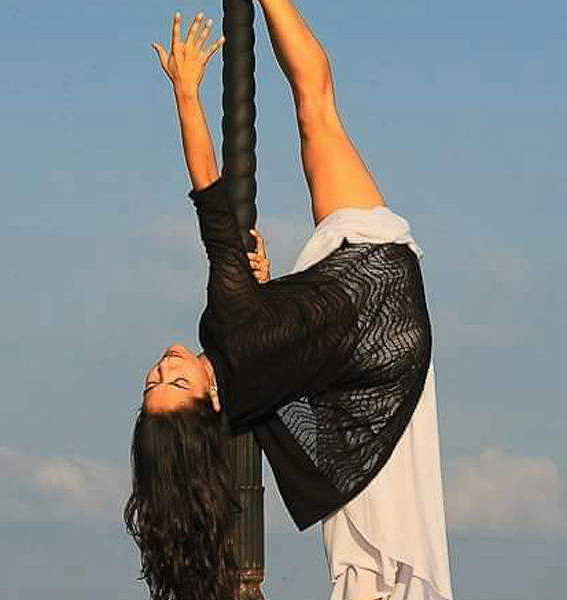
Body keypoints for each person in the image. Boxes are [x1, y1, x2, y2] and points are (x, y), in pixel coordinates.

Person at [124, 3, 454, 600]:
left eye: (151, 382)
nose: (162, 368)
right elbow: (211, 199)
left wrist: (266, 288)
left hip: (384, 351)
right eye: (174, 383)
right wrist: (186, 92)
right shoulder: (227, 328)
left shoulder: (242, 407)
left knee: (317, 110)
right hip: (374, 282)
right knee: (316, 107)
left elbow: (285, 355)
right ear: (208, 397)